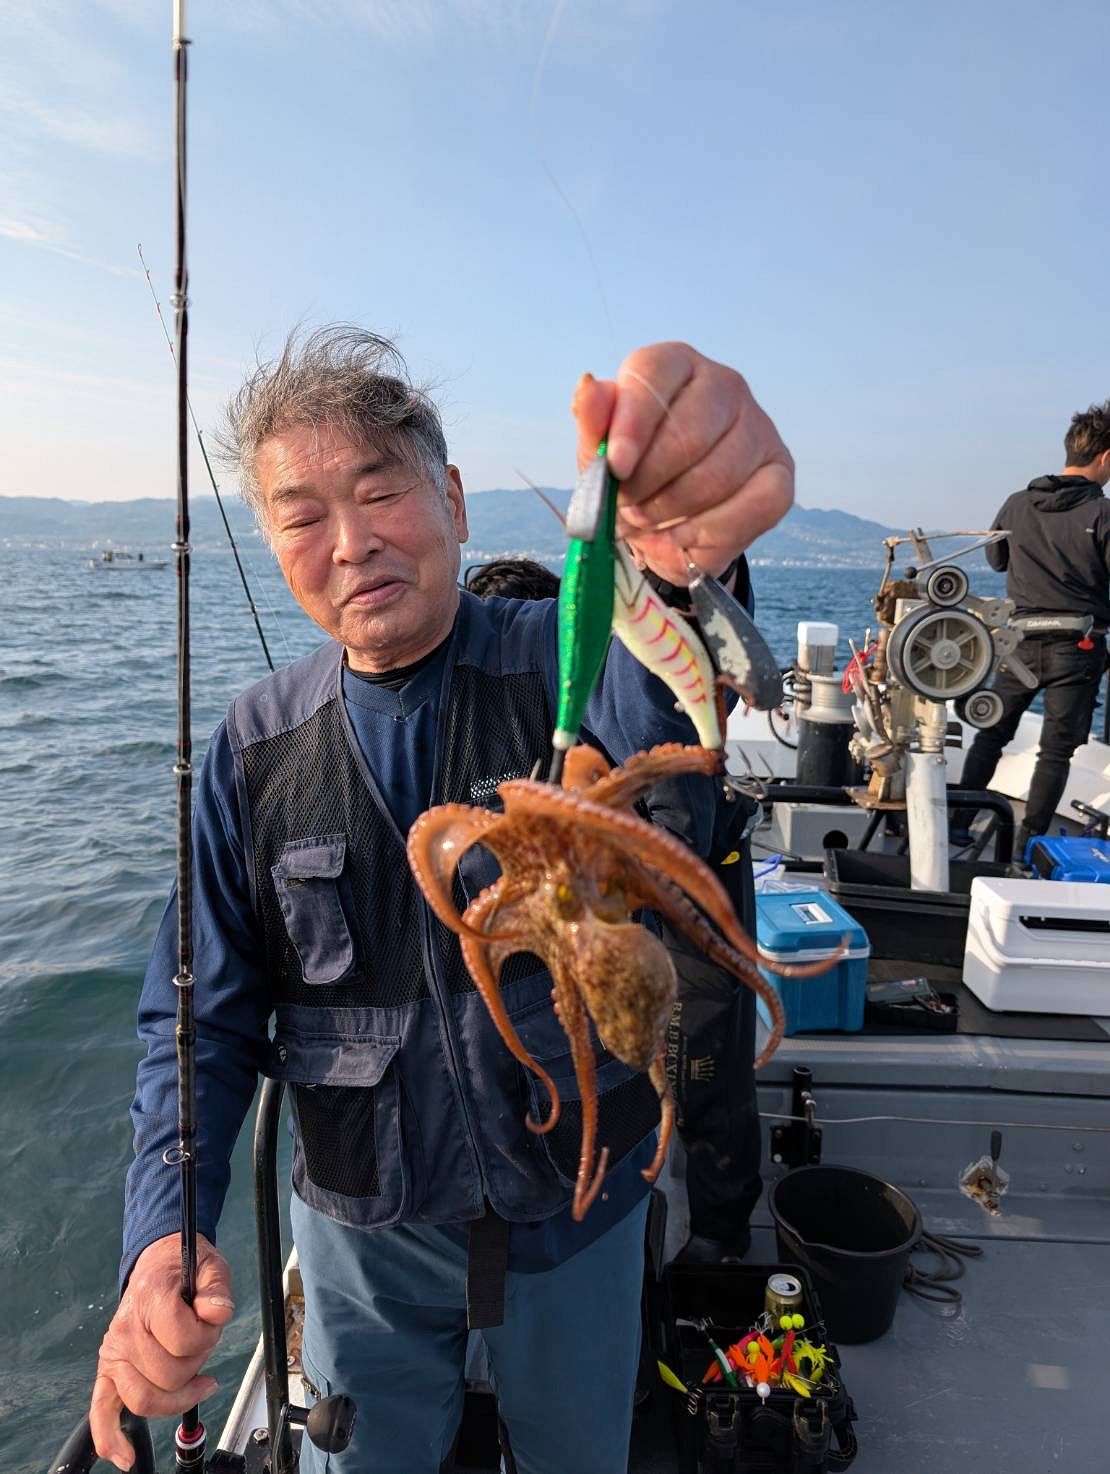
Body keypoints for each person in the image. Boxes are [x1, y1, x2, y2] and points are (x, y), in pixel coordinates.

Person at [90, 327, 795, 1474]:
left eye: (381, 492)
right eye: (303, 516)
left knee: (581, 1455)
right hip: (362, 1237)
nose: (351, 541)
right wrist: (163, 1235)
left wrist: (676, 555)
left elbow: (659, 706)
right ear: (273, 548)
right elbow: (196, 1024)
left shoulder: (563, 666)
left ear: (454, 500)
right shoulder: (254, 752)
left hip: (581, 1215)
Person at [465, 554, 764, 1263]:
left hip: (695, 892)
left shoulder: (618, 703)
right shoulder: (504, 725)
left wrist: (679, 567)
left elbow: (673, 798)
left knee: (702, 1062)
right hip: (607, 914)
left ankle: (720, 1233)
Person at [955, 400, 1110, 855]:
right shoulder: (1103, 514)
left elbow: (996, 558)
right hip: (1077, 647)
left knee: (992, 734)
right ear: (1105, 457)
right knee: (1055, 752)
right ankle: (1028, 847)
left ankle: (959, 824)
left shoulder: (1017, 504)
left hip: (1017, 644)